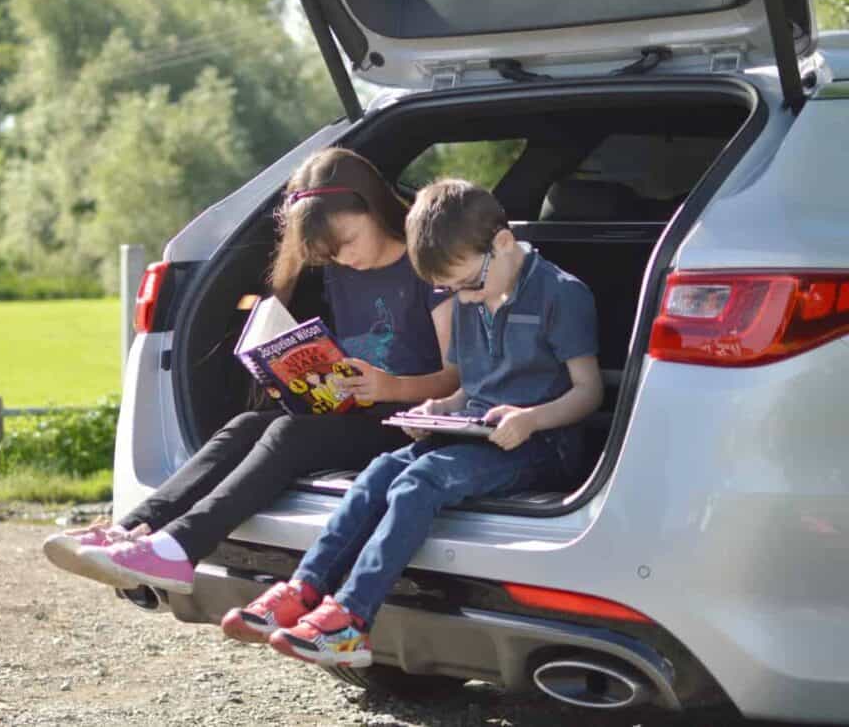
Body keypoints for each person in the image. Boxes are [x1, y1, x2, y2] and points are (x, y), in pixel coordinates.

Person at [42, 148, 459, 634]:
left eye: (347, 242)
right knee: (245, 425)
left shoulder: (425, 267)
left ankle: (177, 548)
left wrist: (393, 386)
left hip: (409, 423)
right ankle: (131, 529)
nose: (344, 259)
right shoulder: (344, 272)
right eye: (330, 255)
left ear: (373, 208)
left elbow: (458, 377)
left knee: (287, 435)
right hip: (355, 410)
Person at [227, 178, 603, 667]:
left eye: (468, 284)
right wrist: (439, 410)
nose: (464, 299)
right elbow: (471, 386)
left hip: (538, 443)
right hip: (474, 433)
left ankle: (351, 620)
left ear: (503, 243)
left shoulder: (562, 294)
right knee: (378, 474)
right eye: (451, 289)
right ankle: (303, 588)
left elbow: (588, 393)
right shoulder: (471, 294)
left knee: (417, 483)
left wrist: (531, 419)